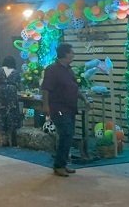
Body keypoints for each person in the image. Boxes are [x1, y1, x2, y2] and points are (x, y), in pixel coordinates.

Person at [42, 43, 81, 177]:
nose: (73, 55)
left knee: (69, 135)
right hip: (58, 108)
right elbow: (46, 89)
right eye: (71, 52)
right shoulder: (52, 70)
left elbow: (74, 87)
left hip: (70, 108)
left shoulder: (69, 70)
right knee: (66, 133)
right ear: (65, 54)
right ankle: (58, 165)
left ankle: (63, 163)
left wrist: (84, 99)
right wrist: (46, 105)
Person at [0, 56, 23, 147]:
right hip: (11, 92)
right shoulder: (16, 72)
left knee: (0, 112)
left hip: (0, 91)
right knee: (11, 113)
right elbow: (19, 85)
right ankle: (10, 140)